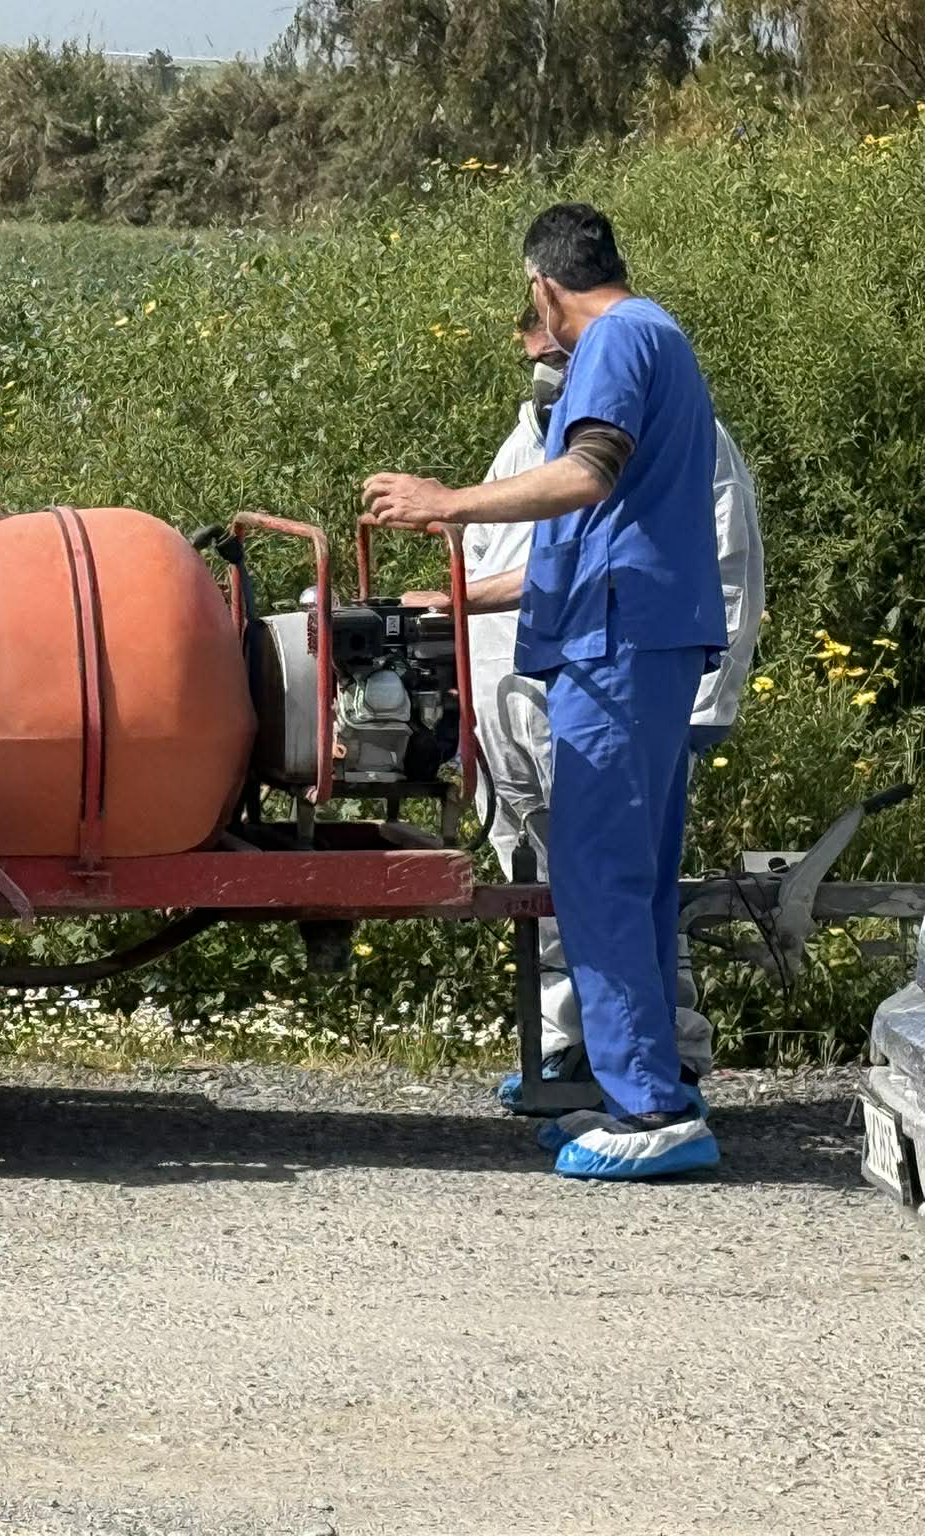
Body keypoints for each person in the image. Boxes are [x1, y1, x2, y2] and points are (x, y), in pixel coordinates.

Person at [363, 203, 729, 1180]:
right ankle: (644, 1087)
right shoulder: (659, 337)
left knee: (597, 875)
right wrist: (456, 593)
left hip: (616, 647)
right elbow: (594, 538)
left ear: (543, 286)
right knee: (633, 879)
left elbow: (583, 477)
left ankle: (649, 1109)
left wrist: (445, 503)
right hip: (641, 635)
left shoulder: (609, 340)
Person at [421, 308, 764, 1113]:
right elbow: (547, 564)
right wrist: (452, 603)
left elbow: (719, 563)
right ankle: (580, 1054)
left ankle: (658, 1073)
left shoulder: (675, 431)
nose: (542, 356)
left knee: (619, 879)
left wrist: (700, 705)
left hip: (624, 679)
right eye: (531, 347)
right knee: (555, 887)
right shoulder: (530, 441)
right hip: (529, 693)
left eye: (548, 338)